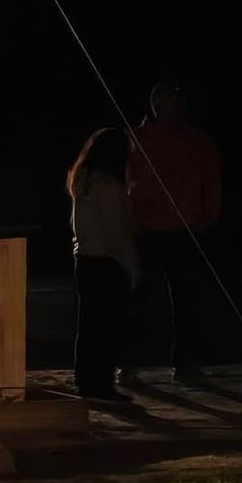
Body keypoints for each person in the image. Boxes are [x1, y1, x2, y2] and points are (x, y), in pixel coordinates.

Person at [127, 79, 222, 383]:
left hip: (175, 231)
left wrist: (206, 216)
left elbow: (212, 183)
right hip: (162, 231)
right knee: (152, 301)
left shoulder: (193, 140)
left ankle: (174, 365)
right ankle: (140, 365)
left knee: (179, 302)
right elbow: (128, 181)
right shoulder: (144, 137)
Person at [67, 128, 139, 402]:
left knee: (88, 326)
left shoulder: (82, 181)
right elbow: (117, 231)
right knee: (108, 327)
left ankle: (85, 380)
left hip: (85, 259)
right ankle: (103, 383)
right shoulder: (109, 186)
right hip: (107, 262)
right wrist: (132, 264)